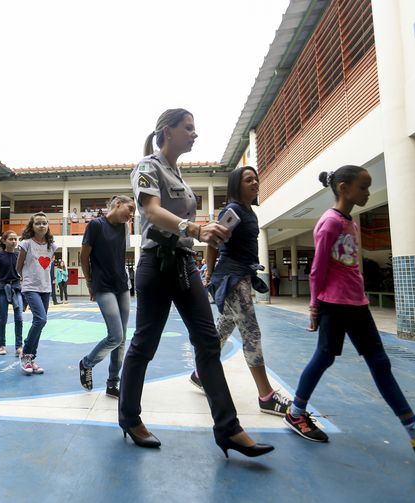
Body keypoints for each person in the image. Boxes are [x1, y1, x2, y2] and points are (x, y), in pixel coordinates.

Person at [284, 165, 415, 462]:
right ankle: (296, 413)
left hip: (356, 303)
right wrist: (314, 306)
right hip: (334, 304)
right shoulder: (329, 223)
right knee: (324, 357)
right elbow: (317, 269)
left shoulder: (352, 222)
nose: (368, 192)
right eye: (363, 187)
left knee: (379, 362)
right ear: (344, 188)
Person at [119, 108, 273, 458]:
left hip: (185, 263)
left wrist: (207, 230)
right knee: (144, 343)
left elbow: (181, 219)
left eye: (194, 128)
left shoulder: (180, 175)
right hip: (157, 264)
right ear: (167, 131)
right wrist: (195, 228)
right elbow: (153, 211)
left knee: (207, 342)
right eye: (188, 128)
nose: (194, 133)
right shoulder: (148, 167)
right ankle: (129, 417)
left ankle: (228, 429)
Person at [189, 166, 290, 416]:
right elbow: (214, 241)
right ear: (237, 185)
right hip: (231, 278)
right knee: (252, 333)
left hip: (243, 275)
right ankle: (266, 396)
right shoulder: (233, 210)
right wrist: (210, 275)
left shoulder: (249, 212)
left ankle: (200, 373)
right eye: (248, 179)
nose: (255, 182)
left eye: (256, 178)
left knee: (224, 327)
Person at [78, 195, 135, 398]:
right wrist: (90, 283)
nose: (132, 214)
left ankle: (112, 384)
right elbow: (84, 256)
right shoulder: (95, 225)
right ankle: (87, 363)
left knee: (122, 339)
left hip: (122, 285)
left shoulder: (123, 228)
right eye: (130, 209)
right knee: (116, 336)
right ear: (118, 204)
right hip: (103, 286)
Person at [17, 212, 58, 375]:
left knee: (40, 322)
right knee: (40, 319)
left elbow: (47, 266)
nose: (42, 225)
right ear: (32, 226)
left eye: (44, 223)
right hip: (30, 287)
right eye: (38, 223)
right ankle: (26, 354)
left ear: (48, 226)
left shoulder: (52, 246)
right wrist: (25, 280)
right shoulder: (26, 244)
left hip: (45, 288)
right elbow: (18, 266)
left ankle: (31, 358)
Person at [0, 231, 24, 357]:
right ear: (4, 241)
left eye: (15, 239)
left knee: (19, 318)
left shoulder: (20, 255)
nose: (14, 241)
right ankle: (2, 345)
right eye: (11, 239)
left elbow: (24, 270)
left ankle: (19, 346)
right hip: (3, 288)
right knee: (3, 318)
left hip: (16, 288)